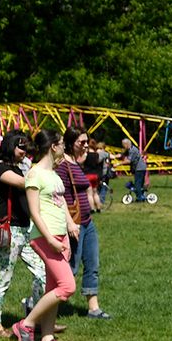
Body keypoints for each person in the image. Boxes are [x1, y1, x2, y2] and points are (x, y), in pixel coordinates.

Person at [11, 130, 80, 341]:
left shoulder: (54, 175)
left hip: (59, 237)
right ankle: (26, 324)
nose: (64, 148)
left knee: (54, 288)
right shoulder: (35, 174)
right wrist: (50, 239)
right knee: (67, 286)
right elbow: (35, 212)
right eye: (61, 144)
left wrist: (68, 233)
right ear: (53, 147)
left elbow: (60, 205)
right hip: (44, 237)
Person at [0, 131, 47, 339]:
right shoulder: (0, 168)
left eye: (26, 148)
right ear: (11, 146)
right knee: (3, 277)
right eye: (21, 147)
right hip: (7, 230)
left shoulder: (21, 167)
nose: (24, 152)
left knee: (43, 273)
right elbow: (24, 183)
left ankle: (35, 318)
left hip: (25, 230)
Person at [59, 128, 111, 319]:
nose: (86, 145)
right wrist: (70, 223)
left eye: (87, 142)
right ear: (70, 142)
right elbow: (60, 195)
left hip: (87, 222)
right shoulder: (63, 164)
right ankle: (40, 304)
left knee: (92, 264)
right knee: (70, 268)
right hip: (74, 223)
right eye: (81, 142)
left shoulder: (75, 162)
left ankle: (93, 308)